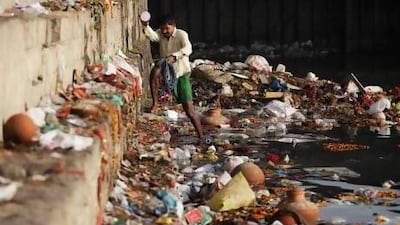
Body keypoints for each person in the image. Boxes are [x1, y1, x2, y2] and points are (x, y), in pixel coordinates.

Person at [141, 14, 205, 142]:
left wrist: (175, 56)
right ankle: (155, 103)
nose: (164, 32)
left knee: (189, 110)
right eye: (162, 29)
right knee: (155, 71)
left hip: (181, 74)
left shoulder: (182, 34)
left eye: (167, 29)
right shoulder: (161, 33)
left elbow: (188, 48)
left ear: (173, 26)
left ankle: (201, 136)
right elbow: (153, 36)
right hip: (167, 73)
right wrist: (146, 25)